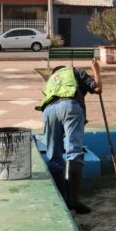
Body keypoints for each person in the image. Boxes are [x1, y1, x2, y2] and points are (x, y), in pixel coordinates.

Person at [35, 58, 102, 214]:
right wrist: (96, 70)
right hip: (70, 106)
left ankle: (62, 200)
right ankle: (73, 199)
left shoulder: (51, 81)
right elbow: (97, 89)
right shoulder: (74, 71)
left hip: (48, 111)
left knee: (54, 155)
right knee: (74, 151)